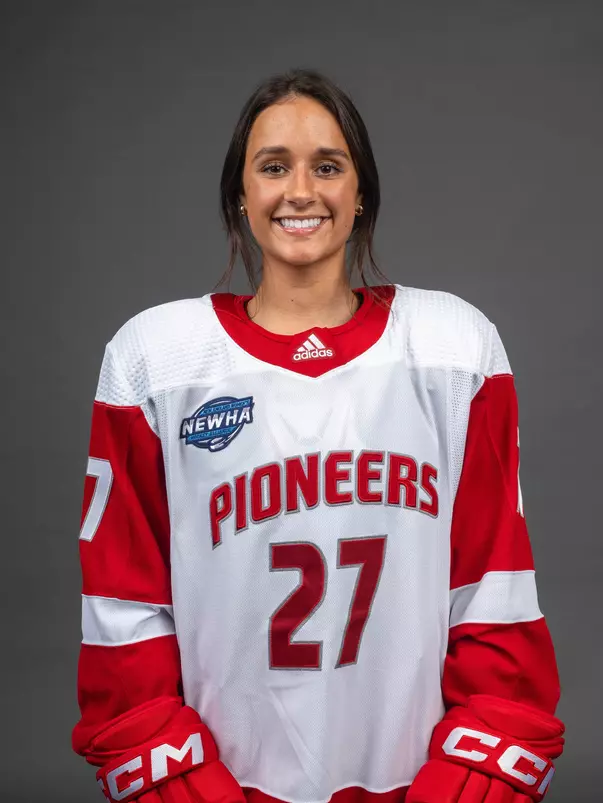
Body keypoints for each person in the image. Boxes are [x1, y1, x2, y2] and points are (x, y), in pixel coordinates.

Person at [72, 68, 564, 803]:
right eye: (273, 167)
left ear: (359, 191)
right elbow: (125, 613)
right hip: (228, 781)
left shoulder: (453, 348)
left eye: (326, 167)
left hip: (413, 781)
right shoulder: (156, 360)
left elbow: (492, 595)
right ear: (240, 194)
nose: (299, 190)